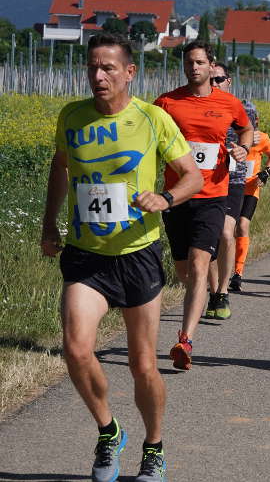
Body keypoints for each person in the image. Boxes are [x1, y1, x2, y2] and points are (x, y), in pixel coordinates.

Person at [40, 32, 203, 482]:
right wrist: (48, 224)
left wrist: (166, 199)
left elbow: (193, 176)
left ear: (130, 72)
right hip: (86, 255)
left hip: (138, 255)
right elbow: (61, 165)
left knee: (142, 365)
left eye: (108, 67)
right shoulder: (71, 116)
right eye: (92, 67)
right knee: (75, 349)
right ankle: (108, 430)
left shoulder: (152, 120)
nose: (98, 75)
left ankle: (154, 445)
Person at [155, 40, 254, 370]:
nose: (194, 67)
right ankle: (204, 295)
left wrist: (242, 148)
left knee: (198, 266)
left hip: (213, 195)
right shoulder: (167, 102)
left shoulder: (228, 102)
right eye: (189, 62)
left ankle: (185, 340)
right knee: (184, 271)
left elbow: (246, 129)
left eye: (199, 62)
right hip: (176, 196)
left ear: (212, 67)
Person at [203, 63, 254, 318]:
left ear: (229, 81)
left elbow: (249, 133)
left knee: (225, 232)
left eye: (219, 79)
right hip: (205, 180)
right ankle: (213, 293)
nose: (215, 84)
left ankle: (223, 290)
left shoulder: (244, 107)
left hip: (233, 179)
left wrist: (244, 146)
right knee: (208, 237)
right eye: (211, 80)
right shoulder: (200, 106)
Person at [230, 108, 270, 293]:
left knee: (242, 225)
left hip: (250, 188)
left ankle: (238, 273)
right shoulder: (230, 137)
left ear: (256, 121)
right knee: (227, 231)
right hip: (230, 188)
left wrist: (266, 172)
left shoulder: (262, 139)